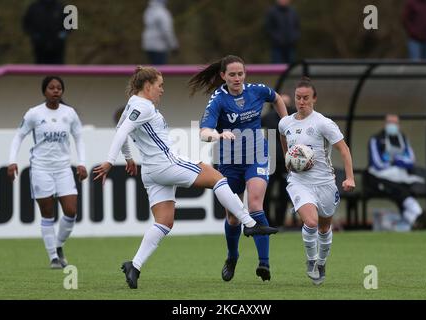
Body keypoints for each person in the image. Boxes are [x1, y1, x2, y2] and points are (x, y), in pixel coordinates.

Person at [93, 66, 278, 289]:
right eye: (160, 86)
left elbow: (121, 128)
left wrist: (129, 157)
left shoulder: (133, 103)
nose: (162, 90)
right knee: (217, 178)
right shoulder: (144, 106)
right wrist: (110, 161)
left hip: (151, 172)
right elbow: (122, 132)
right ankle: (249, 224)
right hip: (166, 164)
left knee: (164, 222)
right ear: (148, 86)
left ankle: (135, 265)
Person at [189, 55, 288, 282]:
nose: (237, 78)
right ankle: (232, 256)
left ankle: (264, 263)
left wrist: (287, 123)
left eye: (240, 74)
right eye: (232, 74)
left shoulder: (257, 90)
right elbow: (204, 132)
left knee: (254, 204)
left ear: (245, 74)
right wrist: (218, 134)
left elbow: (277, 99)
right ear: (223, 75)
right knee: (233, 218)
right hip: (229, 162)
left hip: (258, 156)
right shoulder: (218, 100)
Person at [278, 77, 355, 285]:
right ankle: (311, 260)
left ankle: (321, 262)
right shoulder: (286, 122)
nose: (301, 102)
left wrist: (349, 177)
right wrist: (288, 157)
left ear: (314, 99)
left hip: (325, 183)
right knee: (310, 222)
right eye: (298, 98)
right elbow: (283, 136)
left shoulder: (323, 123)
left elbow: (344, 150)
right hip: (299, 181)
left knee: (323, 227)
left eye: (305, 98)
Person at [8, 76, 88, 269]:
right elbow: (18, 136)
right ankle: (53, 256)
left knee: (71, 211)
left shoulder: (69, 113)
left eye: (59, 88)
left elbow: (78, 138)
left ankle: (59, 245)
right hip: (41, 168)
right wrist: (12, 161)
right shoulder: (34, 113)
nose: (55, 91)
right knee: (47, 213)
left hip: (63, 169)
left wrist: (82, 163)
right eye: (51, 88)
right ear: (44, 91)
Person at [366, 114, 425, 228]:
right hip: (378, 177)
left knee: (403, 187)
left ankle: (413, 218)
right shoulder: (376, 139)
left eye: (395, 123)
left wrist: (396, 161)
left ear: (398, 124)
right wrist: (395, 163)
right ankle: (417, 214)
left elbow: (411, 160)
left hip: (398, 177)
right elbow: (377, 164)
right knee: (398, 188)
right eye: (390, 122)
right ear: (385, 123)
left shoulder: (403, 138)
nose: (392, 125)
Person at [262, 93, 296, 227]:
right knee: (266, 192)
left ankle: (279, 222)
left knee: (284, 192)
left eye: (286, 104)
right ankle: (267, 221)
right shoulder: (268, 118)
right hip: (270, 161)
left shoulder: (293, 118)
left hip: (286, 162)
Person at [23, 0, 68, 64]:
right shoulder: (34, 8)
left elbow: (69, 24)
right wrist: (34, 35)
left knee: (56, 68)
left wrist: (63, 33)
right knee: (40, 69)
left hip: (58, 46)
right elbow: (26, 24)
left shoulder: (61, 7)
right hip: (39, 46)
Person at [141, 0, 179, 65]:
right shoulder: (163, 13)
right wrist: (173, 46)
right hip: (159, 46)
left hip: (148, 44)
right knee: (159, 71)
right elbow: (167, 31)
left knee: (152, 70)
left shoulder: (148, 11)